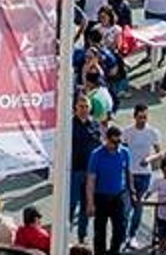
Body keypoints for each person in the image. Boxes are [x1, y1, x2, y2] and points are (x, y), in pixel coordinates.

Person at [87, 124, 134, 255]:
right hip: (101, 196)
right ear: (107, 139)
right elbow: (91, 180)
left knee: (120, 228)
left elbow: (128, 172)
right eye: (114, 141)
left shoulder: (125, 152)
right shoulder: (96, 155)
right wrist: (90, 203)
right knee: (100, 230)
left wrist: (132, 191)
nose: (117, 144)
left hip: (118, 196)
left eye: (119, 141)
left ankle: (114, 252)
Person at [122, 104, 162, 248]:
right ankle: (123, 235)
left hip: (144, 175)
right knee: (126, 207)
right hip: (129, 174)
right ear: (135, 117)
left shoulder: (152, 132)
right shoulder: (127, 132)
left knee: (138, 207)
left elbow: (159, 152)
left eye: (145, 117)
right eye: (140, 117)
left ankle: (132, 235)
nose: (143, 120)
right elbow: (122, 150)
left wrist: (149, 159)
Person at [71, 96, 102, 244]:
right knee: (70, 205)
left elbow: (99, 146)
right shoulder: (69, 125)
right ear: (75, 108)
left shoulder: (95, 125)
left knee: (86, 206)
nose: (83, 109)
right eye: (81, 106)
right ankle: (64, 234)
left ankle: (81, 238)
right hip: (74, 172)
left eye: (86, 106)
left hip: (90, 173)